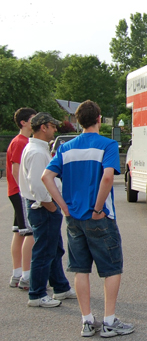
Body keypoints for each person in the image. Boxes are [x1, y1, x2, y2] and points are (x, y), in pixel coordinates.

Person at [42, 100, 134, 338]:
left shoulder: (66, 147)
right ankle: (109, 321)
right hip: (99, 216)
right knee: (112, 268)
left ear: (78, 120)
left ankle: (86, 320)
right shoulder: (108, 145)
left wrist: (63, 206)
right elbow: (107, 178)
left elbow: (46, 176)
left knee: (80, 268)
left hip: (73, 217)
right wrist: (97, 208)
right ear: (99, 119)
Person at [19, 112, 76, 308]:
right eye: (52, 126)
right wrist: (51, 205)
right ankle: (37, 293)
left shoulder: (36, 148)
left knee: (53, 248)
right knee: (44, 251)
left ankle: (60, 286)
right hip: (42, 206)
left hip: (42, 206)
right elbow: (37, 184)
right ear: (43, 127)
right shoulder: (36, 152)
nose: (54, 129)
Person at [6, 108, 36, 290]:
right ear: (23, 122)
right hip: (20, 192)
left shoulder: (22, 141)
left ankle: (17, 273)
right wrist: (25, 191)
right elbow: (16, 170)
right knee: (30, 233)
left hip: (15, 191)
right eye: (33, 119)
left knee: (19, 232)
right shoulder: (21, 142)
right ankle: (27, 276)